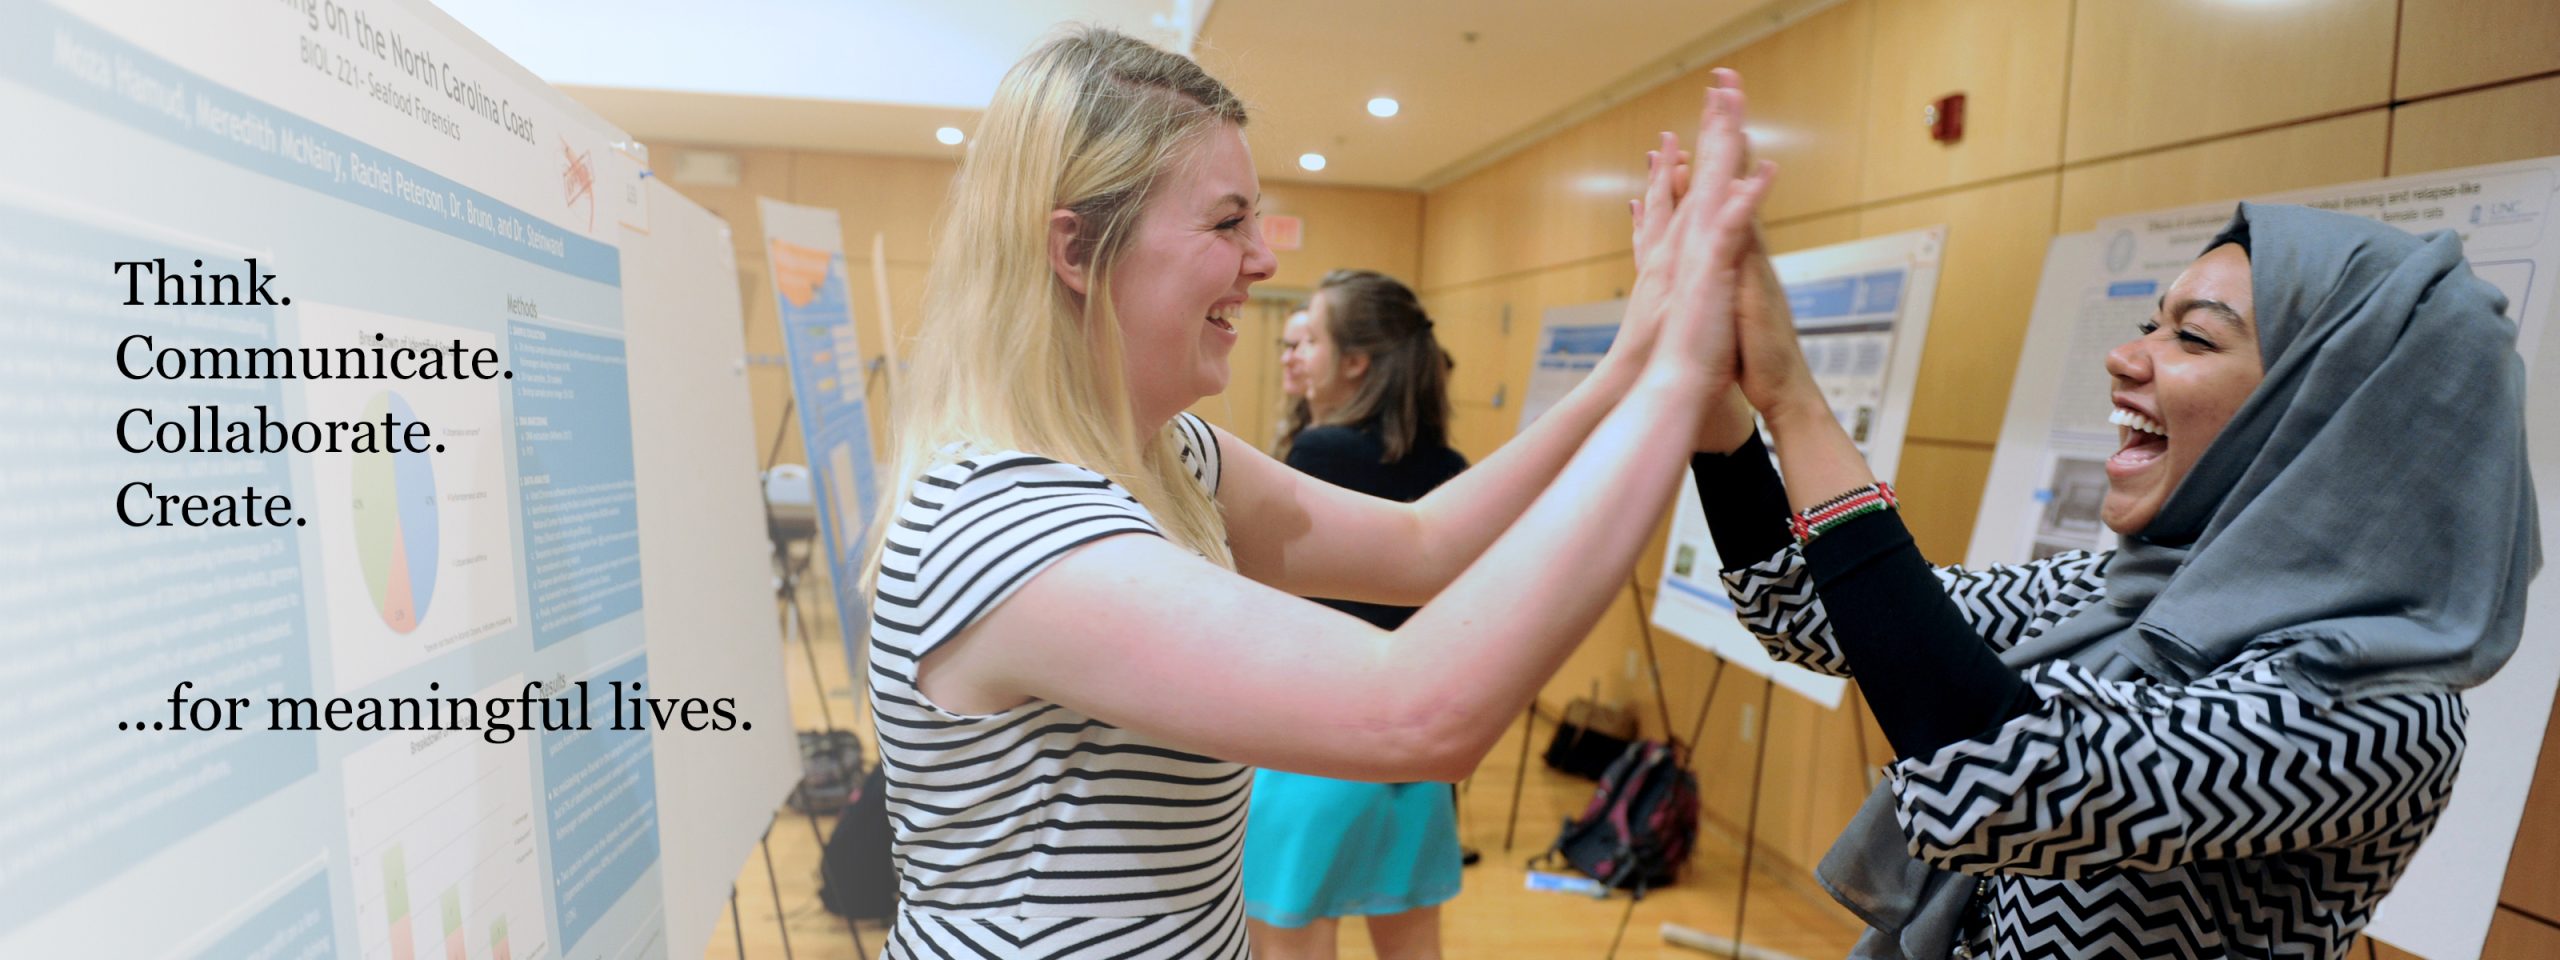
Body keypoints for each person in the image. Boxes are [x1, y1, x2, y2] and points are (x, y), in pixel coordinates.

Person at [859, 28, 1774, 959]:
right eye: (1227, 223)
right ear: (1079, 249)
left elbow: (1422, 546)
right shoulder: (1011, 527)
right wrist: (1674, 387)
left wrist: (1632, 366)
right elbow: (1418, 712)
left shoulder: (1172, 456)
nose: (1262, 261)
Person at [1681, 175, 2539, 955]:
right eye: (2148, 326)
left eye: (2194, 340)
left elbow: (2005, 769)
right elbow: (1812, 609)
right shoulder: (2127, 591)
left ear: (2326, 418)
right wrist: (1716, 392)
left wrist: (1796, 402)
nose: (2126, 358)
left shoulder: (2382, 708)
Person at [1247, 270, 1470, 960]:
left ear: (1354, 362)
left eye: (1308, 339)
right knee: (1412, 945)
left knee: (1293, 941)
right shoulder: (1451, 463)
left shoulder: (1320, 453)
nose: (1294, 356)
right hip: (1411, 760)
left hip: (1316, 746)